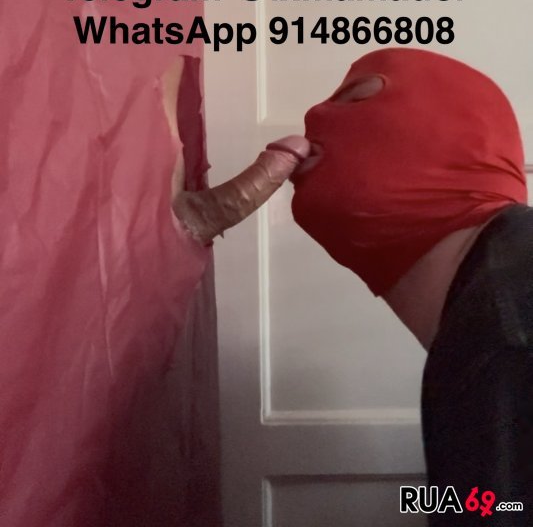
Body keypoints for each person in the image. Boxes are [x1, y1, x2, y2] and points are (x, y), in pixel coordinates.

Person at [175, 48, 532, 525]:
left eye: (355, 99)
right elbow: (491, 503)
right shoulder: (488, 312)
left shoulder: (507, 333)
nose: (314, 115)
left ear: (446, 137)